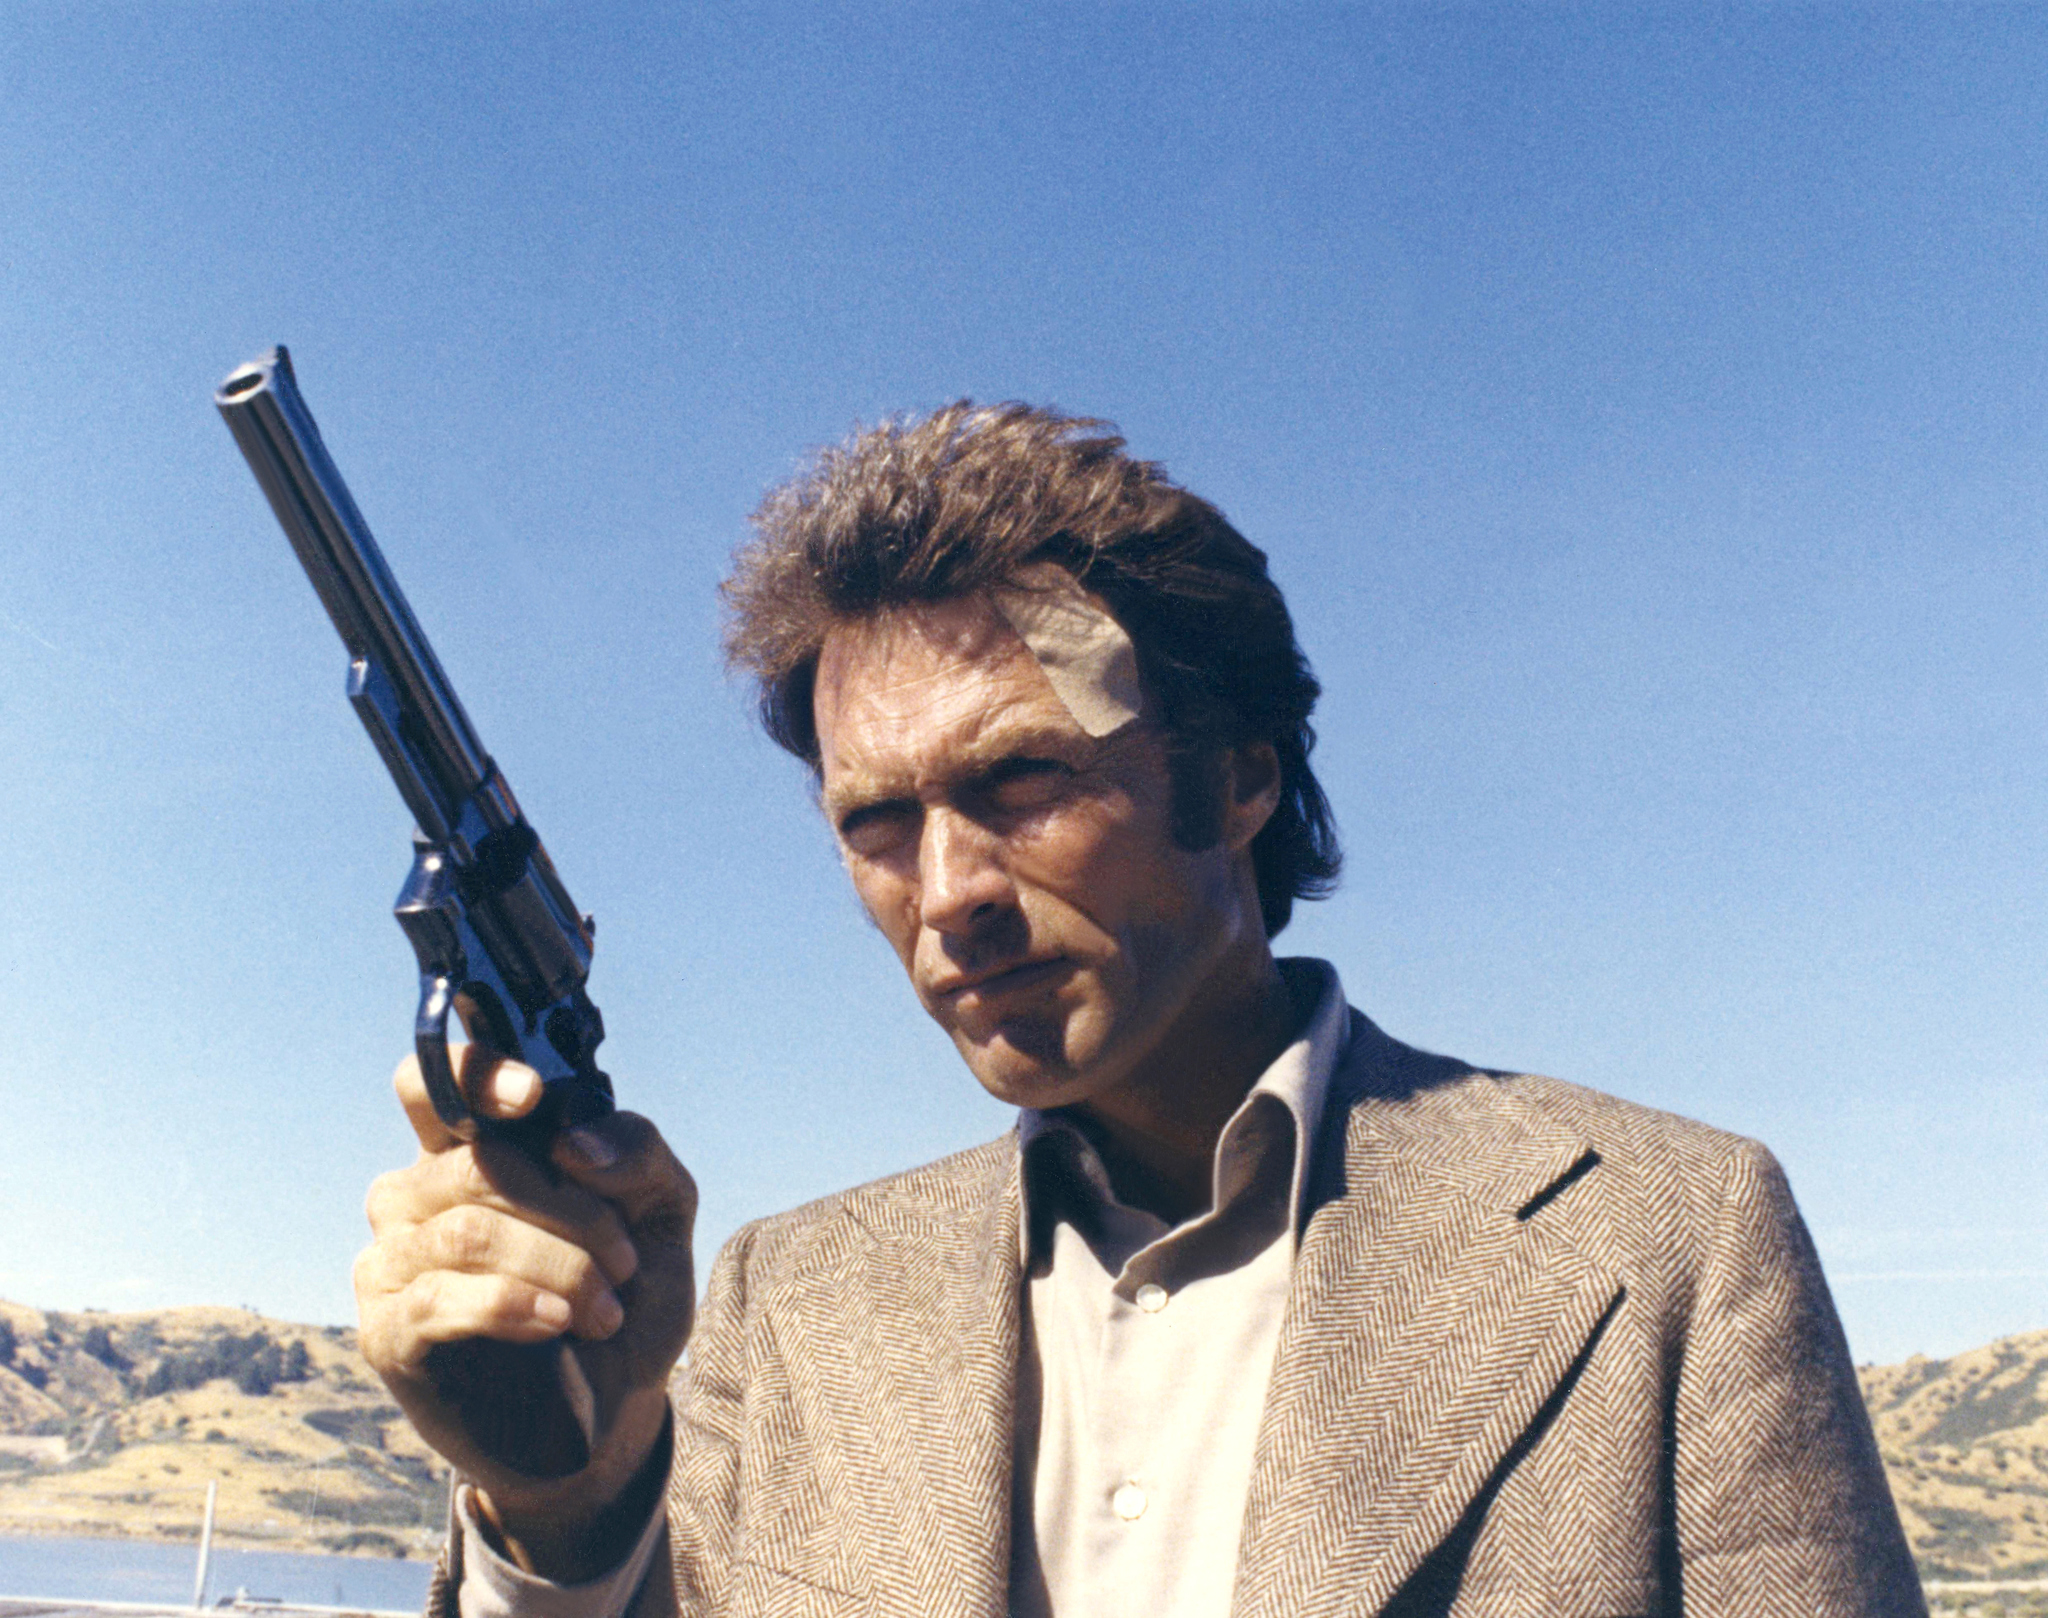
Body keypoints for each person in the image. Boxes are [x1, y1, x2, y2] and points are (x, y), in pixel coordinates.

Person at [354, 404, 1926, 1617]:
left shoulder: (1666, 1242)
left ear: (1238, 777)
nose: (948, 889)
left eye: (1022, 780)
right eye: (878, 822)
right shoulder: (788, 1302)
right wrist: (560, 1500)